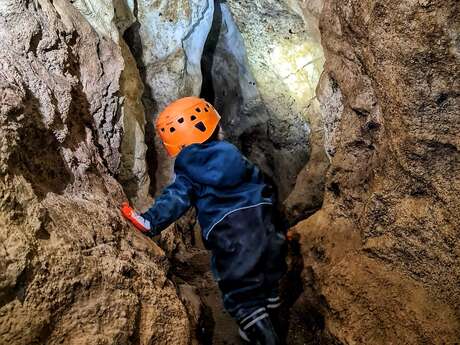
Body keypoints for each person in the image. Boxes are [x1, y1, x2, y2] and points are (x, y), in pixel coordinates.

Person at [121, 97, 287, 344]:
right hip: (267, 230)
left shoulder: (189, 167)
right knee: (268, 281)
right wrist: (279, 226)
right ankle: (270, 323)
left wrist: (149, 221)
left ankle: (263, 334)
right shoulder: (234, 155)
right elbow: (264, 187)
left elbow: (175, 199)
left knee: (241, 299)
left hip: (233, 238)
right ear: (211, 127)